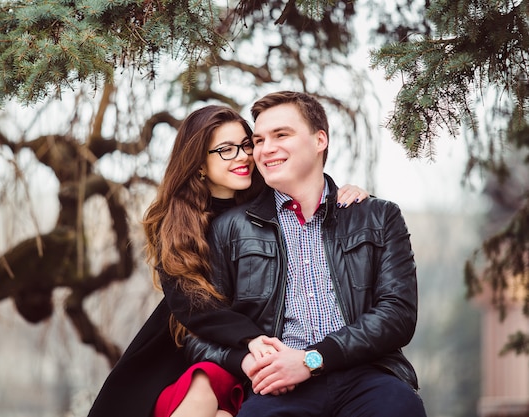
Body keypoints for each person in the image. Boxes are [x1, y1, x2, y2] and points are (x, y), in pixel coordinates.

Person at [87, 104, 369, 417]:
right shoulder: (179, 223)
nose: (243, 156)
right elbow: (195, 307)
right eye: (226, 149)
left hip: (265, 348)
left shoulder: (267, 201)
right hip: (195, 343)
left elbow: (308, 196)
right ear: (199, 165)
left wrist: (342, 193)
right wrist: (251, 341)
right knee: (205, 386)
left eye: (247, 145)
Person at [183, 91, 427, 417]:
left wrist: (312, 360)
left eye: (281, 135)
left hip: (369, 375)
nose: (266, 148)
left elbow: (398, 315)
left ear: (319, 140)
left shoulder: (377, 216)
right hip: (277, 386)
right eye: (258, 140)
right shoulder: (230, 229)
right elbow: (200, 333)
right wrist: (250, 361)